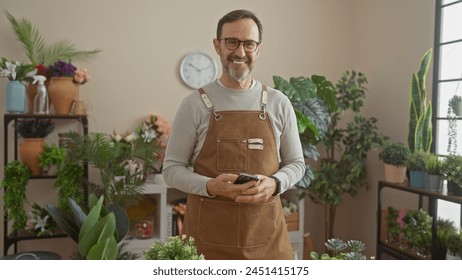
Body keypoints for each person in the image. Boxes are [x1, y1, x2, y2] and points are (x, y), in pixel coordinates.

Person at [162, 9, 305, 260]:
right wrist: (209, 186)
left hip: (267, 243)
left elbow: (297, 164)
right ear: (217, 46)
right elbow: (171, 169)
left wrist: (275, 183)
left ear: (258, 49)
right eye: (231, 42)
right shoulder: (194, 105)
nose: (240, 52)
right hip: (208, 246)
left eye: (249, 43)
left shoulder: (278, 103)